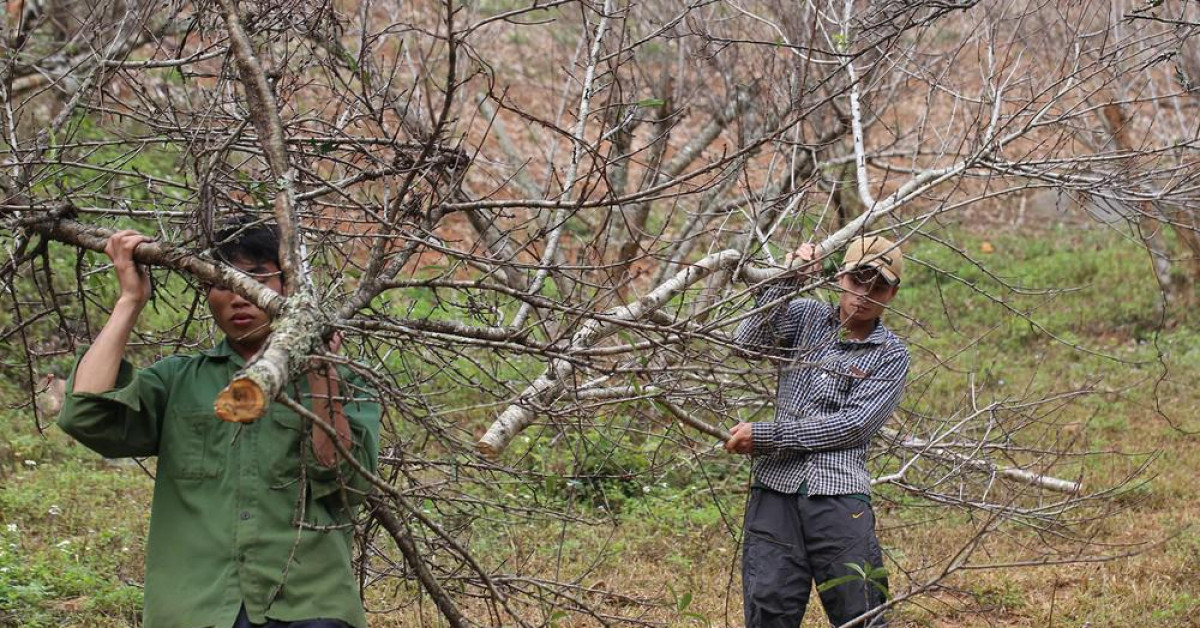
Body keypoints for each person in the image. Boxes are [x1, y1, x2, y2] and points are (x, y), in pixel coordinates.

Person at [57, 219, 381, 628]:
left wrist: (320, 370)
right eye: (223, 283)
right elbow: (85, 414)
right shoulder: (179, 380)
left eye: (257, 280)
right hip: (196, 609)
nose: (239, 297)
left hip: (309, 607)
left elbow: (347, 484)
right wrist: (129, 301)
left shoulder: (347, 381)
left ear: (291, 290)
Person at [726, 235, 910, 628]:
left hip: (839, 494)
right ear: (841, 277)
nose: (864, 294)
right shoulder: (807, 316)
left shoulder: (891, 353)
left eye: (877, 286)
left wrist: (768, 436)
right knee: (768, 608)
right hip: (775, 487)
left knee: (859, 609)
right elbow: (747, 342)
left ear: (891, 293)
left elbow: (853, 425)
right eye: (858, 281)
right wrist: (786, 279)